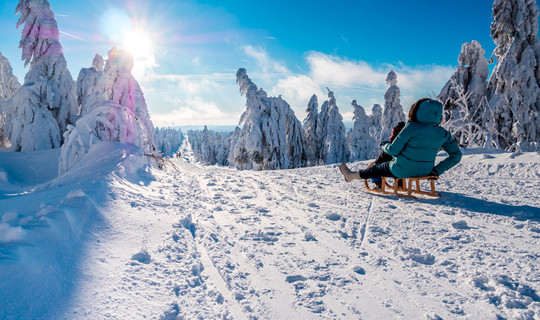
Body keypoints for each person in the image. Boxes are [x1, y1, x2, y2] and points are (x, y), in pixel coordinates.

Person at [340, 98, 462, 184]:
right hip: (426, 171)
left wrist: (384, 145)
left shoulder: (411, 127)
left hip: (400, 170)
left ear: (417, 111)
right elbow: (456, 155)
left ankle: (351, 176)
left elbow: (393, 150)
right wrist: (438, 170)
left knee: (376, 169)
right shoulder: (442, 133)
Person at [371, 121, 405, 188]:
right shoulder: (408, 147)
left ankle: (379, 185)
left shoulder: (391, 148)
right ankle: (399, 184)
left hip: (396, 170)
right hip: (409, 169)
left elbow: (378, 161)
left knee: (375, 167)